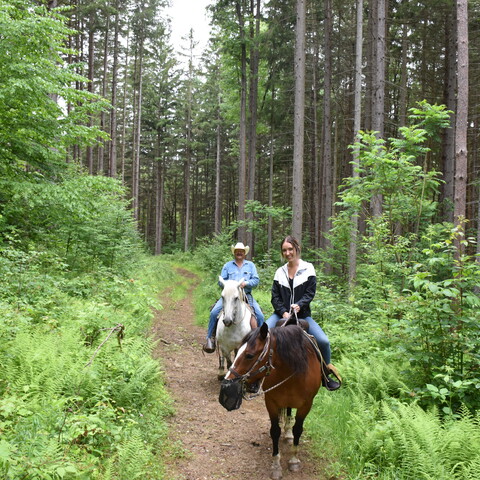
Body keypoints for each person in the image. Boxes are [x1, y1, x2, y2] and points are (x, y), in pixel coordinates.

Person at [265, 235, 341, 391]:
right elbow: (275, 297)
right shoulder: (279, 272)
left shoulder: (308, 268)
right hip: (281, 315)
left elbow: (310, 293)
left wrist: (299, 305)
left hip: (303, 315)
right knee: (262, 333)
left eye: (290, 249)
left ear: (296, 248)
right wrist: (283, 312)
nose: (287, 253)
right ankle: (257, 375)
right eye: (284, 250)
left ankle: (325, 375)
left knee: (323, 341)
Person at [203, 242, 265, 353]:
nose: (239, 253)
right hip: (229, 296)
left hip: (245, 295)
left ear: (244, 253)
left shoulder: (250, 265)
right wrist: (229, 284)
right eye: (237, 251)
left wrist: (246, 283)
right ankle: (210, 338)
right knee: (214, 312)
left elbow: (256, 280)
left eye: (241, 251)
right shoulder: (227, 266)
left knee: (259, 315)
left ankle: (260, 341)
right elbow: (221, 282)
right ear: (234, 253)